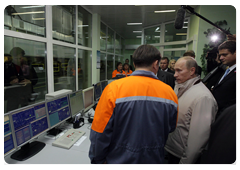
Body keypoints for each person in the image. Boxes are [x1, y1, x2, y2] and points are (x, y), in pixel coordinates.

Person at [89, 44, 178, 165]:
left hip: (118, 161)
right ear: (155, 64)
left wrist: (98, 159)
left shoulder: (113, 89)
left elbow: (99, 132)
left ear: (134, 64)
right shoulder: (170, 93)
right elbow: (171, 127)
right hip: (154, 160)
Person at [164, 56, 218, 165]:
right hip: (172, 151)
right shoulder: (181, 87)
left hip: (183, 157)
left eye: (179, 70)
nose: (175, 75)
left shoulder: (203, 97)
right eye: (175, 70)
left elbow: (198, 140)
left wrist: (185, 163)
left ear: (192, 71)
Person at [211, 40, 238, 119]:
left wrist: (222, 116)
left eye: (224, 55)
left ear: (237, 53)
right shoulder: (227, 70)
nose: (221, 58)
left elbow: (235, 100)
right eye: (220, 55)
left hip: (228, 118)